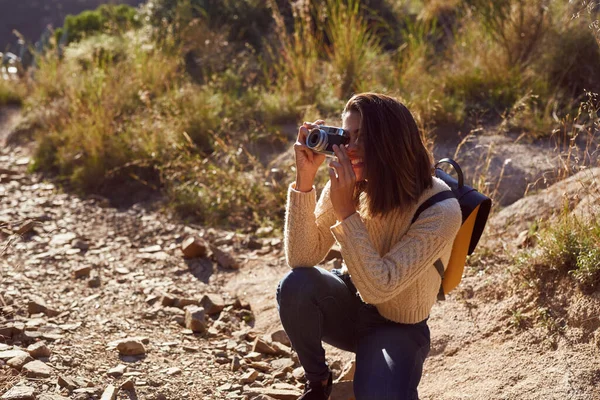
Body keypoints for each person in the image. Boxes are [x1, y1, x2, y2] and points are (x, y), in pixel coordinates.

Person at [276, 93, 462, 400]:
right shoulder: (351, 184)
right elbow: (301, 256)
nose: (349, 148)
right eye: (347, 137)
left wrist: (347, 212)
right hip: (350, 304)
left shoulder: (440, 209)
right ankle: (318, 382)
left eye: (363, 137)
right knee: (296, 285)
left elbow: (380, 287)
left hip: (399, 326)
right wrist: (305, 180)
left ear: (391, 142)